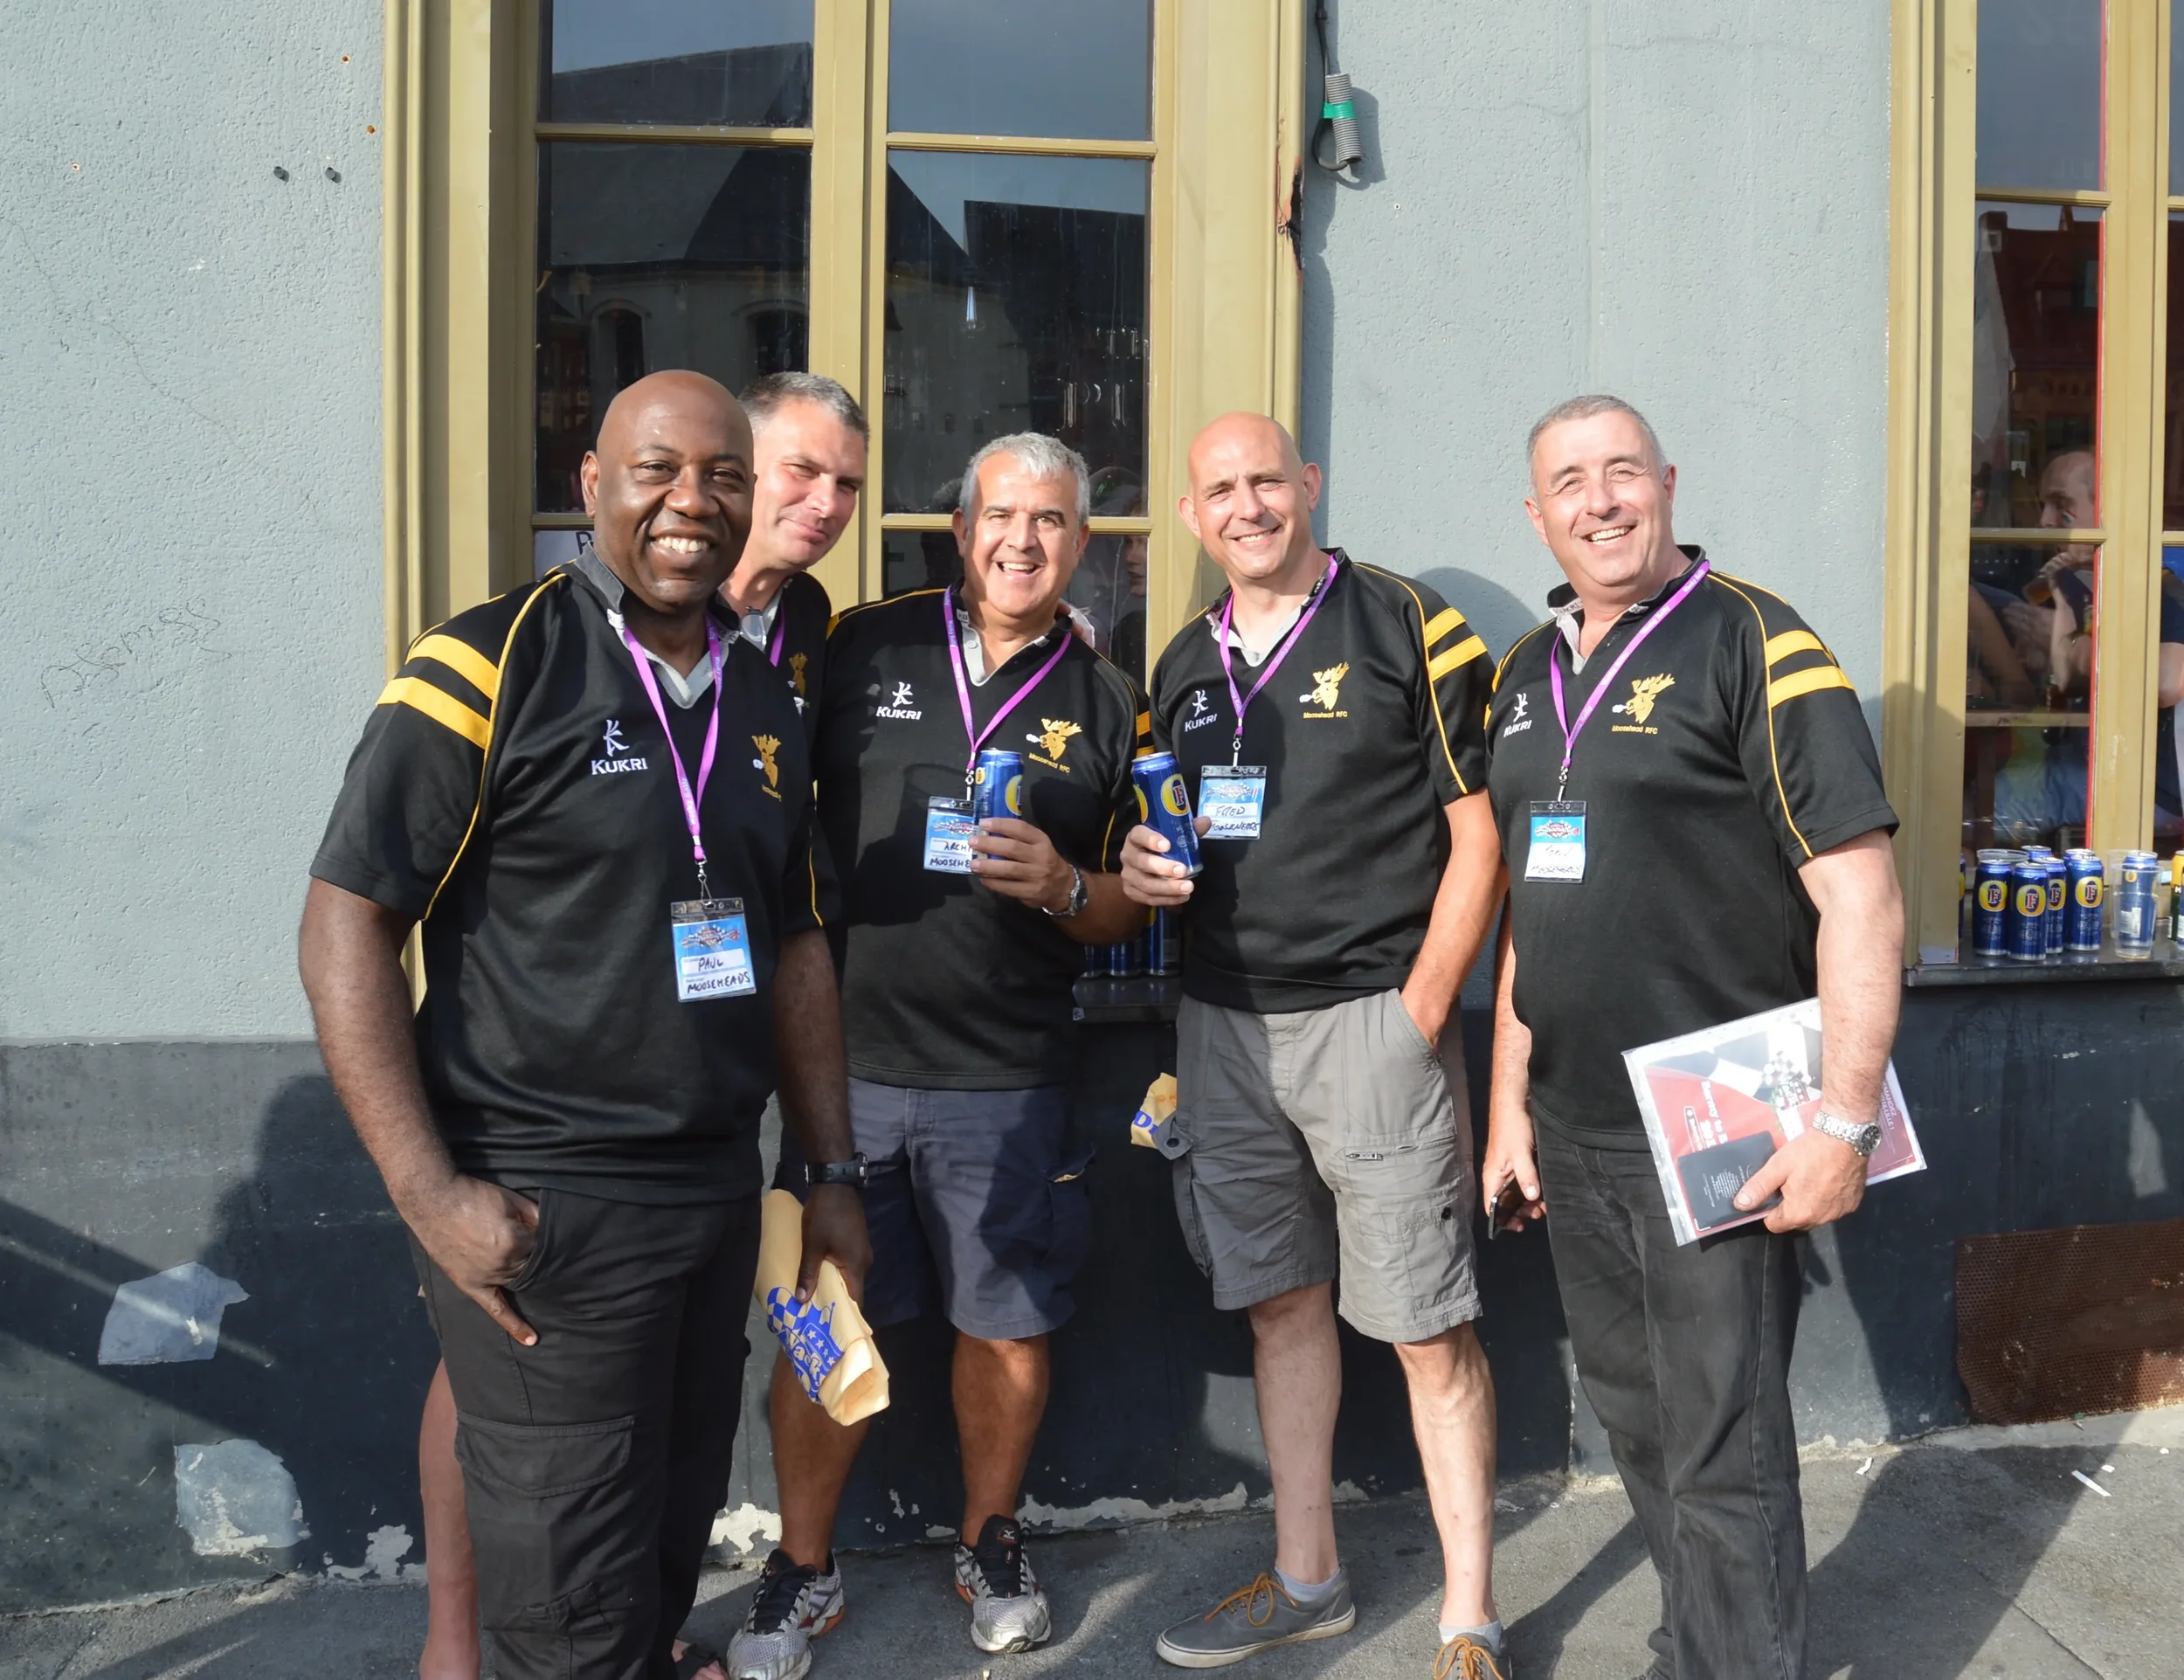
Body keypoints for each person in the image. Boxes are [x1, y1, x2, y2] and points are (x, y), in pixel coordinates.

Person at [300, 370, 871, 1680]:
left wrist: (829, 1168)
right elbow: (345, 923)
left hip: (714, 1200)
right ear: (593, 484)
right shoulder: (491, 660)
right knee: (565, 1606)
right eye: (660, 469)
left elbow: (793, 944)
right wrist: (427, 1189)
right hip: (547, 1208)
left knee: (663, 1549)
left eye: (726, 475)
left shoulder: (766, 701)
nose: (694, 501)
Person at [1480, 395, 1904, 1680]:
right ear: (1537, 513)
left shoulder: (1757, 643)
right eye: (1570, 482)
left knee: (1723, 1443)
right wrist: (1509, 1103)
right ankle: (1704, 1643)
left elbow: (1861, 892)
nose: (1600, 500)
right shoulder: (1524, 673)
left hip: (1719, 1107)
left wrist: (1844, 1117)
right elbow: (1527, 910)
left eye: (1623, 472)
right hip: (1575, 1121)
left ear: (1668, 481)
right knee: (1643, 1426)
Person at [726, 432, 1151, 1679]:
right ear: (961, 531)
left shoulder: (1106, 693)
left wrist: (1073, 885)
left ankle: (991, 1537)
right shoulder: (862, 641)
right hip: (840, 1067)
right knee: (819, 1325)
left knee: (1006, 1326)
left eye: (1053, 521)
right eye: (1001, 516)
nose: (1024, 539)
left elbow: (1133, 895)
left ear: (1083, 543)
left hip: (1010, 1076)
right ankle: (801, 1565)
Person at [1120, 414, 1509, 1677]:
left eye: (1267, 481)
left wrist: (1421, 1010)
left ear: (1311, 486)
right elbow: (1164, 834)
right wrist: (1139, 867)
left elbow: (1481, 833)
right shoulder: (1177, 663)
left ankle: (1469, 1617)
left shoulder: (1404, 622)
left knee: (1424, 1324)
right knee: (1283, 1306)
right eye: (1220, 489)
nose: (1248, 505)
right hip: (1224, 1027)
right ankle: (1309, 1578)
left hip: (1369, 1023)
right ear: (1193, 516)